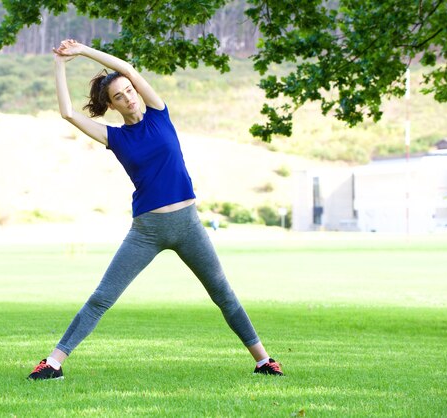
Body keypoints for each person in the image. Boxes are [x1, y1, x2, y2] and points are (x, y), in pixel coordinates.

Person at [27, 39, 283, 380]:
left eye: (129, 90)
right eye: (119, 96)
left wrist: (84, 50)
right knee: (103, 297)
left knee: (223, 293)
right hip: (147, 230)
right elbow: (68, 113)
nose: (128, 97)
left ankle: (263, 361)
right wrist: (60, 63)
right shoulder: (115, 137)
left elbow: (128, 68)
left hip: (188, 225)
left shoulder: (160, 114)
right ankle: (53, 363)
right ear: (112, 105)